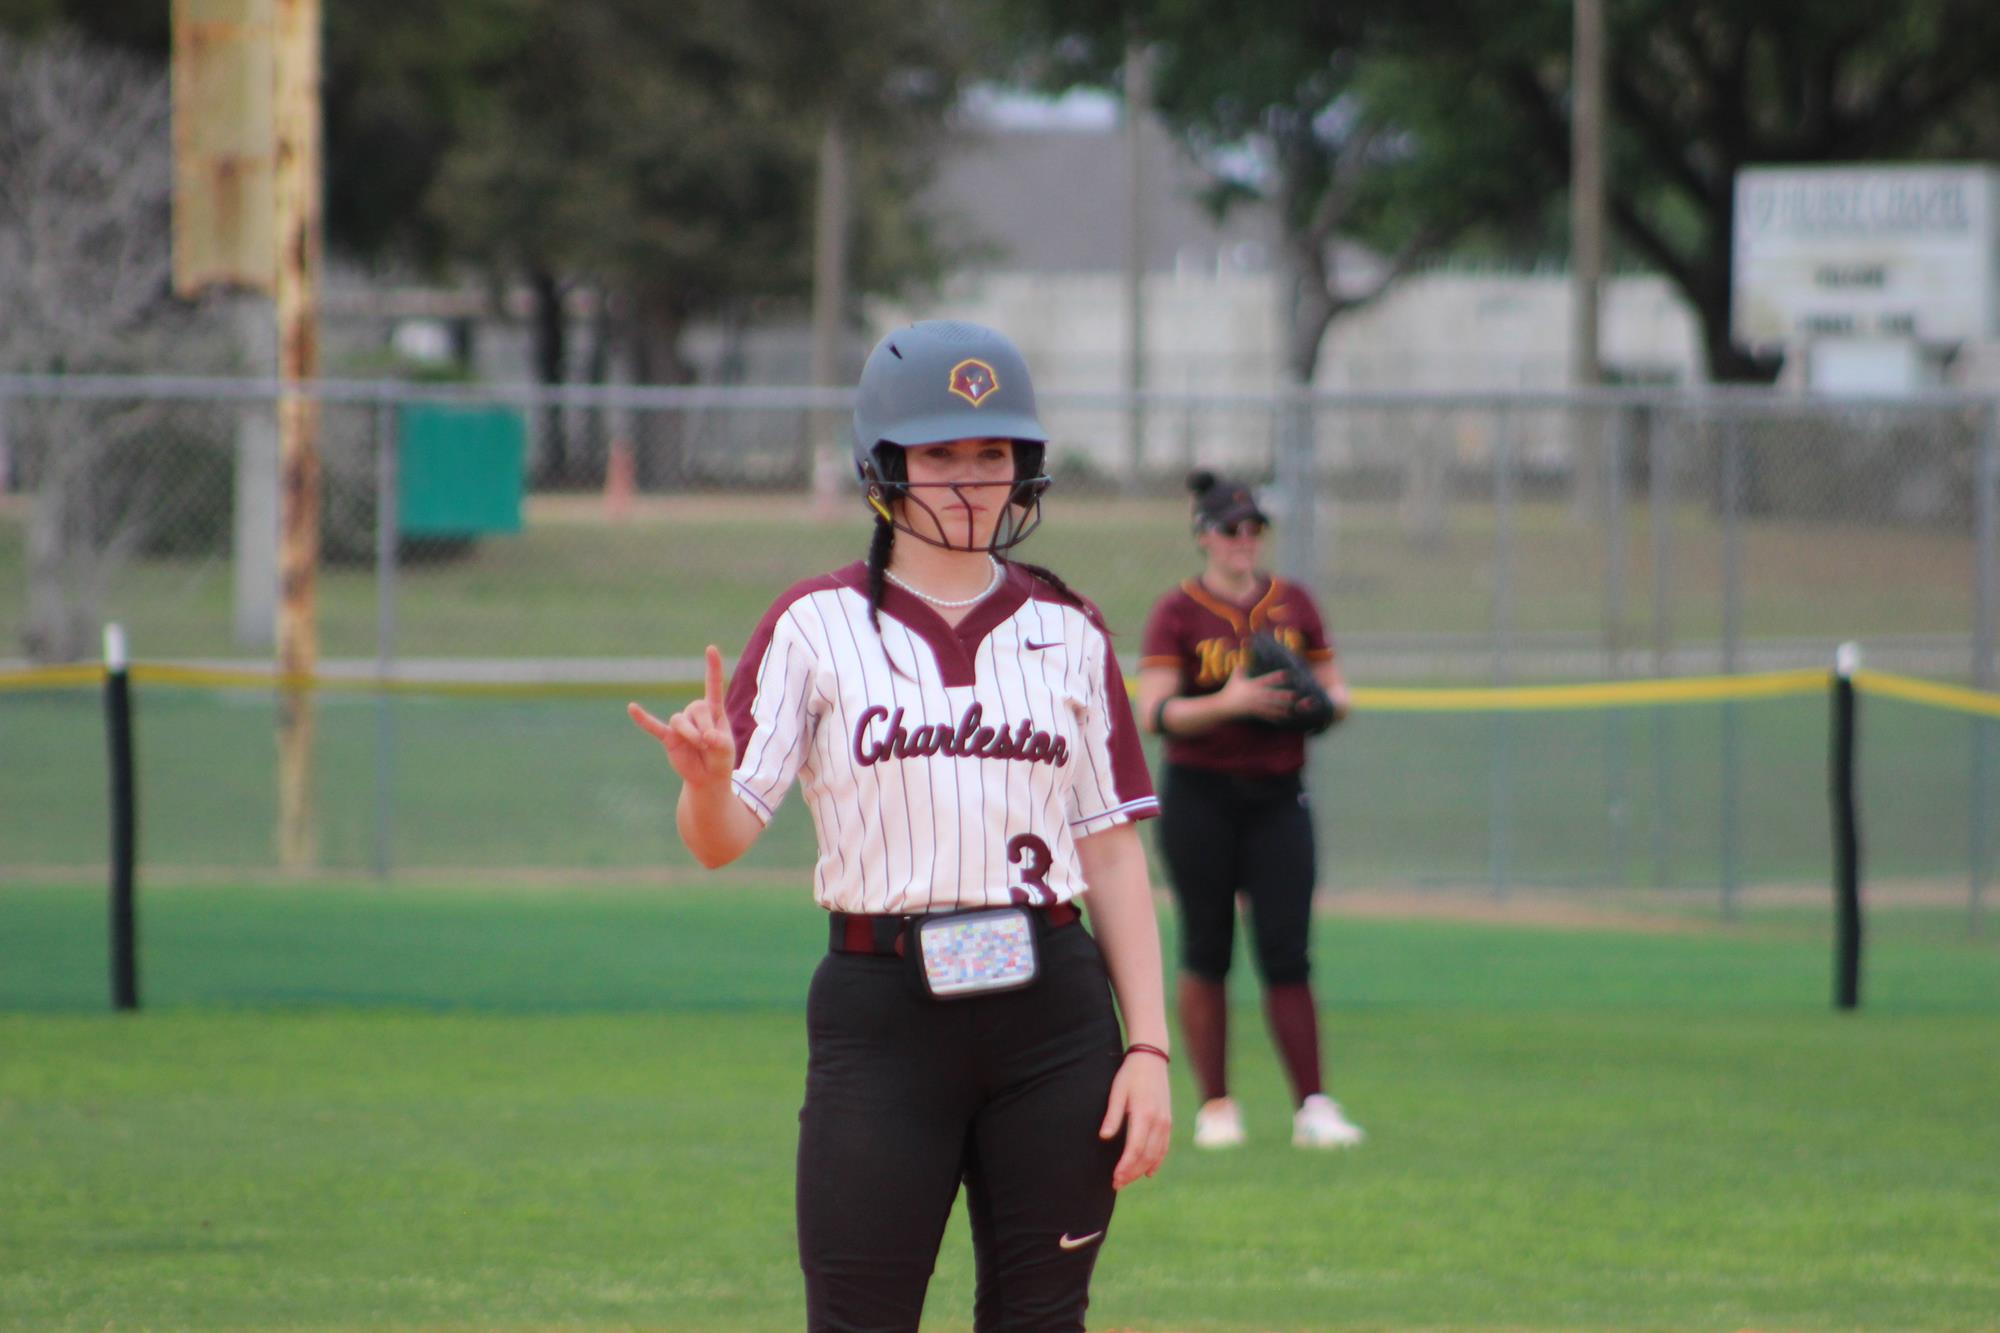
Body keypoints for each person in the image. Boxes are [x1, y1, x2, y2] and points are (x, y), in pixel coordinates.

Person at [628, 320, 1172, 1333]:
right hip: (882, 1013)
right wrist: (705, 782)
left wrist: (1148, 1049)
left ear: (1024, 469)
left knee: (1041, 1319)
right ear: (884, 467)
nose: (968, 481)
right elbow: (717, 838)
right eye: (939, 454)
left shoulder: (1069, 630)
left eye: (991, 454)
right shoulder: (813, 625)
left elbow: (1109, 852)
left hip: (1051, 1014)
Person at [1136, 470, 1364, 1151]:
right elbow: (1156, 710)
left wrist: (1325, 704)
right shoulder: (1177, 611)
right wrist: (1227, 704)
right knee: (1207, 946)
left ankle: (1314, 1106)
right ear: (1204, 535)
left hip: (1277, 797)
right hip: (1200, 795)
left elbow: (1335, 688)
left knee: (1287, 950)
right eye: (1231, 528)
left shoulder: (1293, 603)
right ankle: (1216, 1107)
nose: (1244, 540)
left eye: (1254, 528)